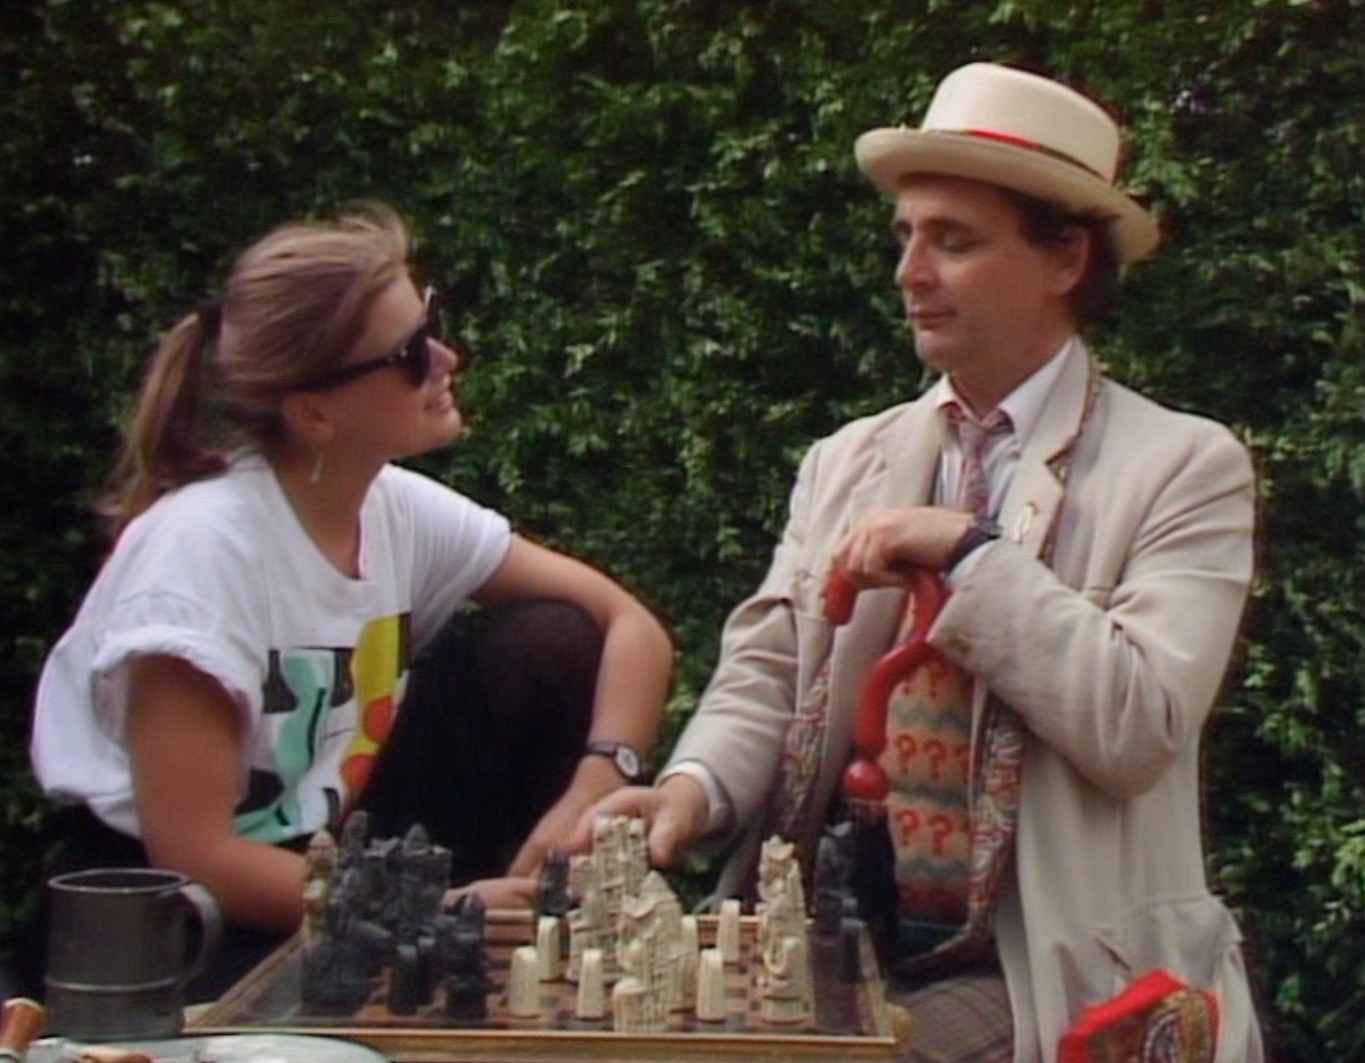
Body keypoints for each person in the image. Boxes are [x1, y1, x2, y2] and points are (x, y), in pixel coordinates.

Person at [576, 63, 1263, 1062]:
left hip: (1039, 964)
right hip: (828, 933)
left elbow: (1139, 725)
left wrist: (969, 555)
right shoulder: (844, 459)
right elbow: (768, 670)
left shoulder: (1186, 464)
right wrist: (691, 790)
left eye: (954, 240)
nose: (909, 271)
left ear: (1065, 259)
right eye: (905, 235)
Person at [26, 202, 673, 998]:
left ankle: (512, 935)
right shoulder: (200, 560)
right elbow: (194, 853)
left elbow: (626, 623)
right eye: (410, 353)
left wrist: (597, 781)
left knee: (554, 639)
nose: (447, 357)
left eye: (432, 322)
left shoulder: (391, 507)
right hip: (174, 919)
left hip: (331, 850)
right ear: (313, 412)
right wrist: (426, 909)